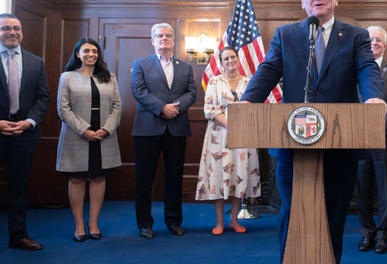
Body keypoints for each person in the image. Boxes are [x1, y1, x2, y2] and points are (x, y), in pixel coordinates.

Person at [241, 0, 384, 264]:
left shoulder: (355, 36)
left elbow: (367, 69)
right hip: (292, 148)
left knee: (333, 217)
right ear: (303, 1)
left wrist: (373, 96)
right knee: (292, 216)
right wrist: (246, 102)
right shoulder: (286, 34)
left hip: (339, 146)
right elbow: (268, 71)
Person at [131, 23, 197, 239]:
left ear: (173, 40)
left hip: (176, 128)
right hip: (147, 129)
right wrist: (162, 108)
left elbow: (192, 93)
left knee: (174, 177)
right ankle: (145, 223)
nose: (164, 39)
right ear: (152, 40)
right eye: (160, 36)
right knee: (144, 179)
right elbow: (138, 91)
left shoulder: (185, 67)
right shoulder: (141, 64)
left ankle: (174, 221)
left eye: (168, 36)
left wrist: (174, 108)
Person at [56, 38, 122, 242]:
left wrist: (105, 129)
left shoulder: (109, 77)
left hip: (104, 136)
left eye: (94, 51)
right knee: (76, 178)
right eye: (86, 51)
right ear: (78, 54)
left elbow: (117, 106)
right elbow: (63, 109)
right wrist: (84, 130)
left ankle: (93, 222)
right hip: (77, 135)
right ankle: (78, 225)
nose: (91, 54)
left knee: (99, 177)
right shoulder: (67, 77)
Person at [195, 46, 261, 235]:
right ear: (221, 62)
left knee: (238, 175)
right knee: (219, 176)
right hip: (219, 136)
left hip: (244, 136)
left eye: (233, 57)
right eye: (226, 59)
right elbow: (209, 109)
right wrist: (230, 126)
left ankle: (234, 220)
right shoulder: (215, 82)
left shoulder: (249, 82)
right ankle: (219, 222)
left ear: (238, 59)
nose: (230, 61)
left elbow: (255, 108)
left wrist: (240, 127)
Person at [354, 26, 387, 254]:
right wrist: (362, 129)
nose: (374, 43)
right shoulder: (353, 69)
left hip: (386, 139)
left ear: (385, 45)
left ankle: (384, 235)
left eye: (378, 40)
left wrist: (378, 128)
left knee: (386, 190)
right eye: (370, 40)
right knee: (362, 189)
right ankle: (367, 233)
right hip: (358, 140)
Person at [0, 13, 50, 250]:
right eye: (6, 28)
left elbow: (43, 98)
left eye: (16, 28)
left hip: (24, 134)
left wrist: (29, 121)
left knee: (19, 188)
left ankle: (18, 236)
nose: (12, 32)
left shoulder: (35, 62)